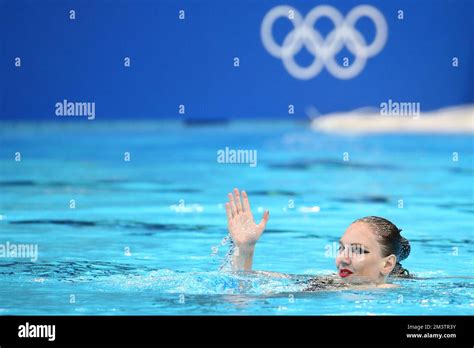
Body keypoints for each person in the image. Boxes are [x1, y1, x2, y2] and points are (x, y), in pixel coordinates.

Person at [225, 188, 412, 290]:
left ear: (387, 265)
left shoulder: (411, 300)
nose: (343, 258)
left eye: (357, 250)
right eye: (341, 248)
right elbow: (244, 287)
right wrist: (246, 249)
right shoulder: (324, 285)